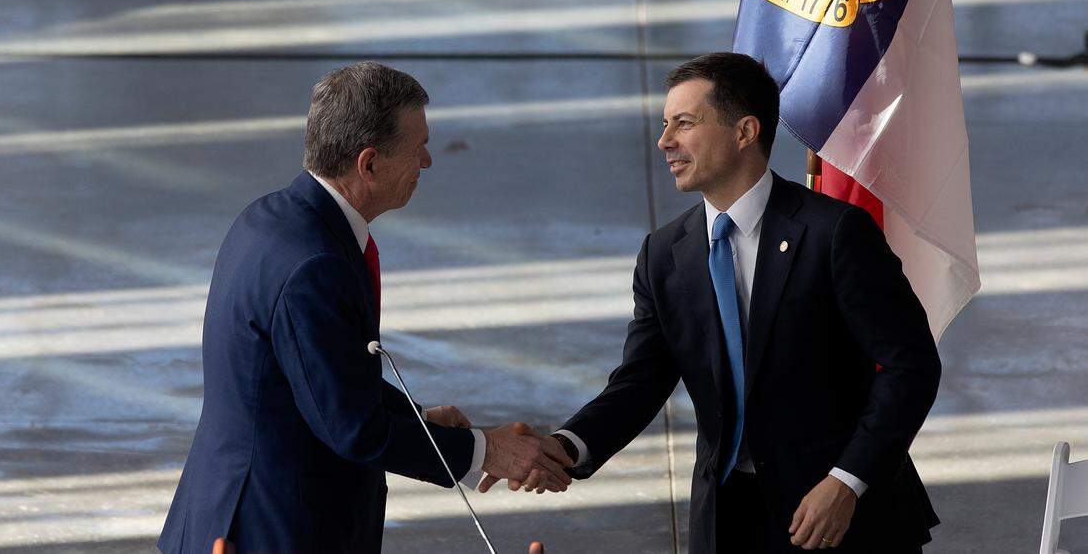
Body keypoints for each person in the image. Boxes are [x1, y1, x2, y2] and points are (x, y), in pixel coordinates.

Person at [490, 52, 941, 553]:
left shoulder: (834, 234)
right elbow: (641, 381)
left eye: (685, 123)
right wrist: (565, 446)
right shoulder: (664, 254)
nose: (665, 141)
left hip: (841, 515)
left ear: (745, 131)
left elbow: (911, 366)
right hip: (727, 519)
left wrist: (848, 479)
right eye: (665, 125)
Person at [159, 62, 570, 554]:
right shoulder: (316, 264)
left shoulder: (272, 219)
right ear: (369, 163)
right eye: (418, 147)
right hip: (270, 530)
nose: (428, 162)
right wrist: (488, 452)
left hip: (234, 511)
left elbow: (318, 374)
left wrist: (416, 420)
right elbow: (350, 428)